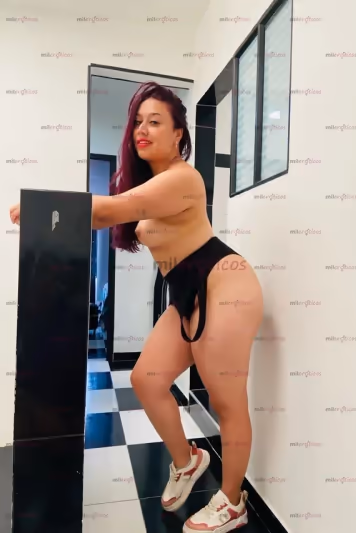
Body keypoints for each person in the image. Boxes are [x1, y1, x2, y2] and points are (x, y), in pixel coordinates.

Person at [10, 81, 263, 533]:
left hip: (225, 282)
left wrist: (45, 208)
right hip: (185, 290)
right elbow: (117, 210)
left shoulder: (183, 177)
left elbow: (112, 211)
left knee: (226, 400)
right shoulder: (148, 183)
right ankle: (188, 461)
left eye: (155, 122)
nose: (141, 130)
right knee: (147, 380)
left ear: (179, 133)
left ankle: (232, 502)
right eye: (138, 122)